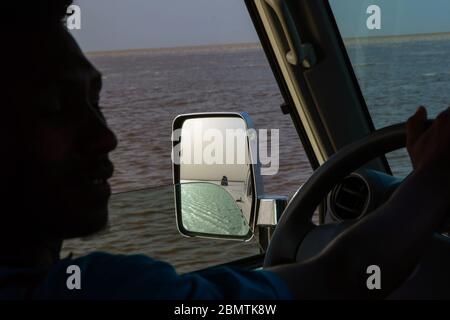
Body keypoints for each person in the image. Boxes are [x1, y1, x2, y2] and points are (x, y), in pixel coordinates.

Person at [1, 1, 450, 300]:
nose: (106, 137)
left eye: (96, 102)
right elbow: (343, 276)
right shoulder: (106, 291)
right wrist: (435, 177)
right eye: (56, 109)